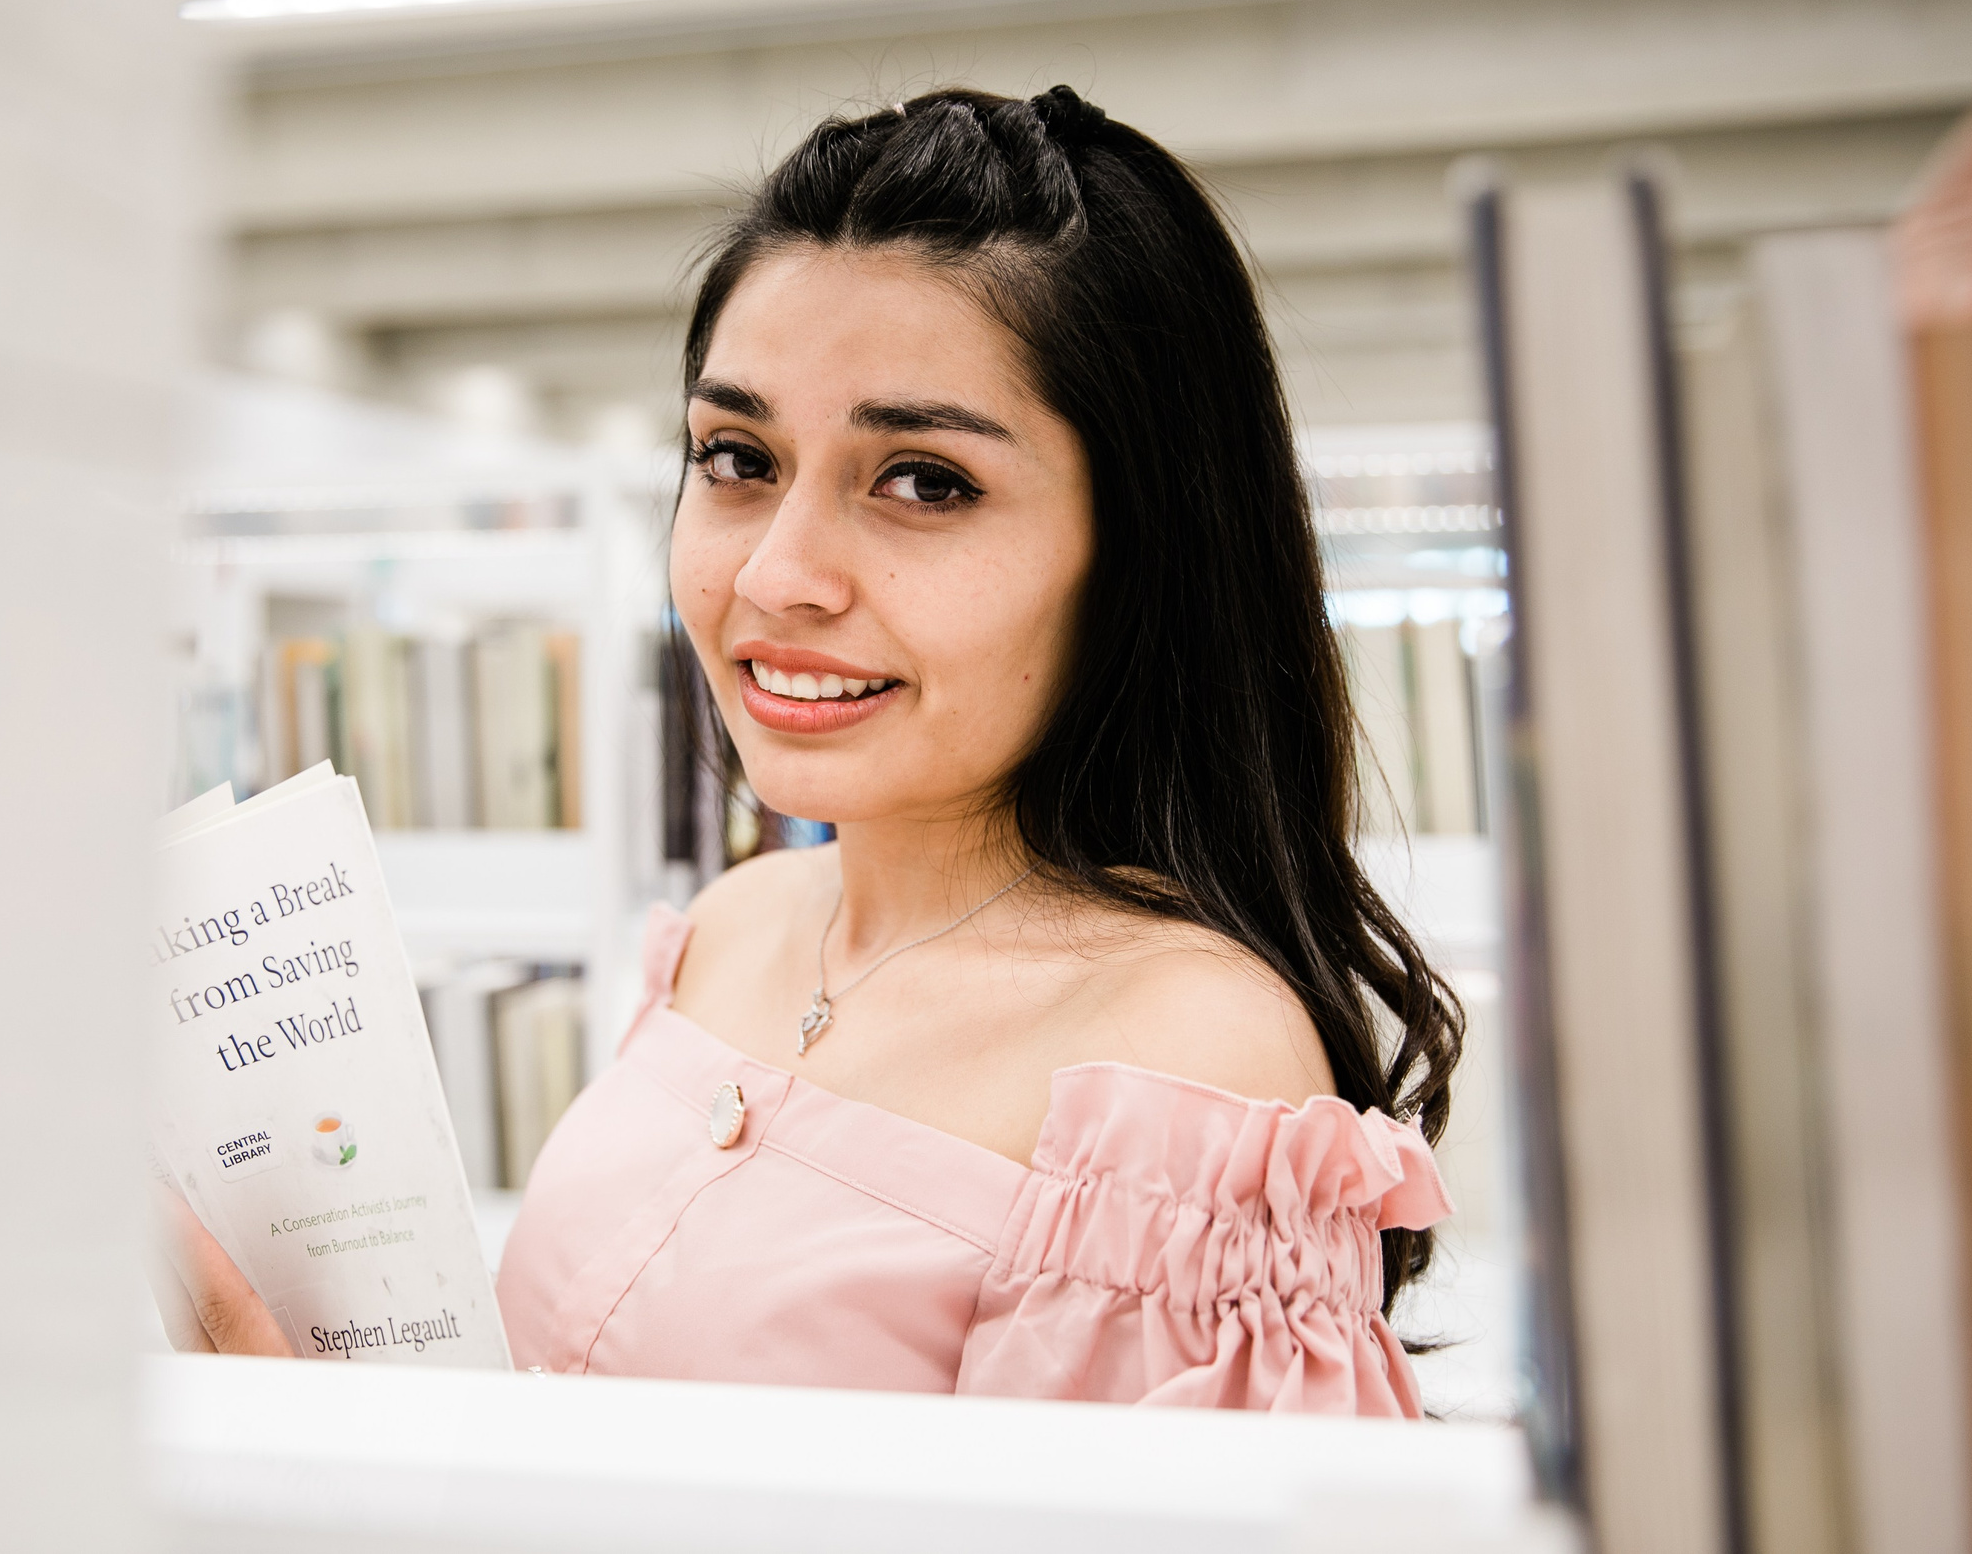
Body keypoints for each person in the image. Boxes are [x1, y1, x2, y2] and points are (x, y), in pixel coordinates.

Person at [161, 85, 1464, 1414]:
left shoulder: (1182, 1076)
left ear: (1138, 556)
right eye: (735, 457)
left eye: (925, 482)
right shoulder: (734, 926)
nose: (779, 575)